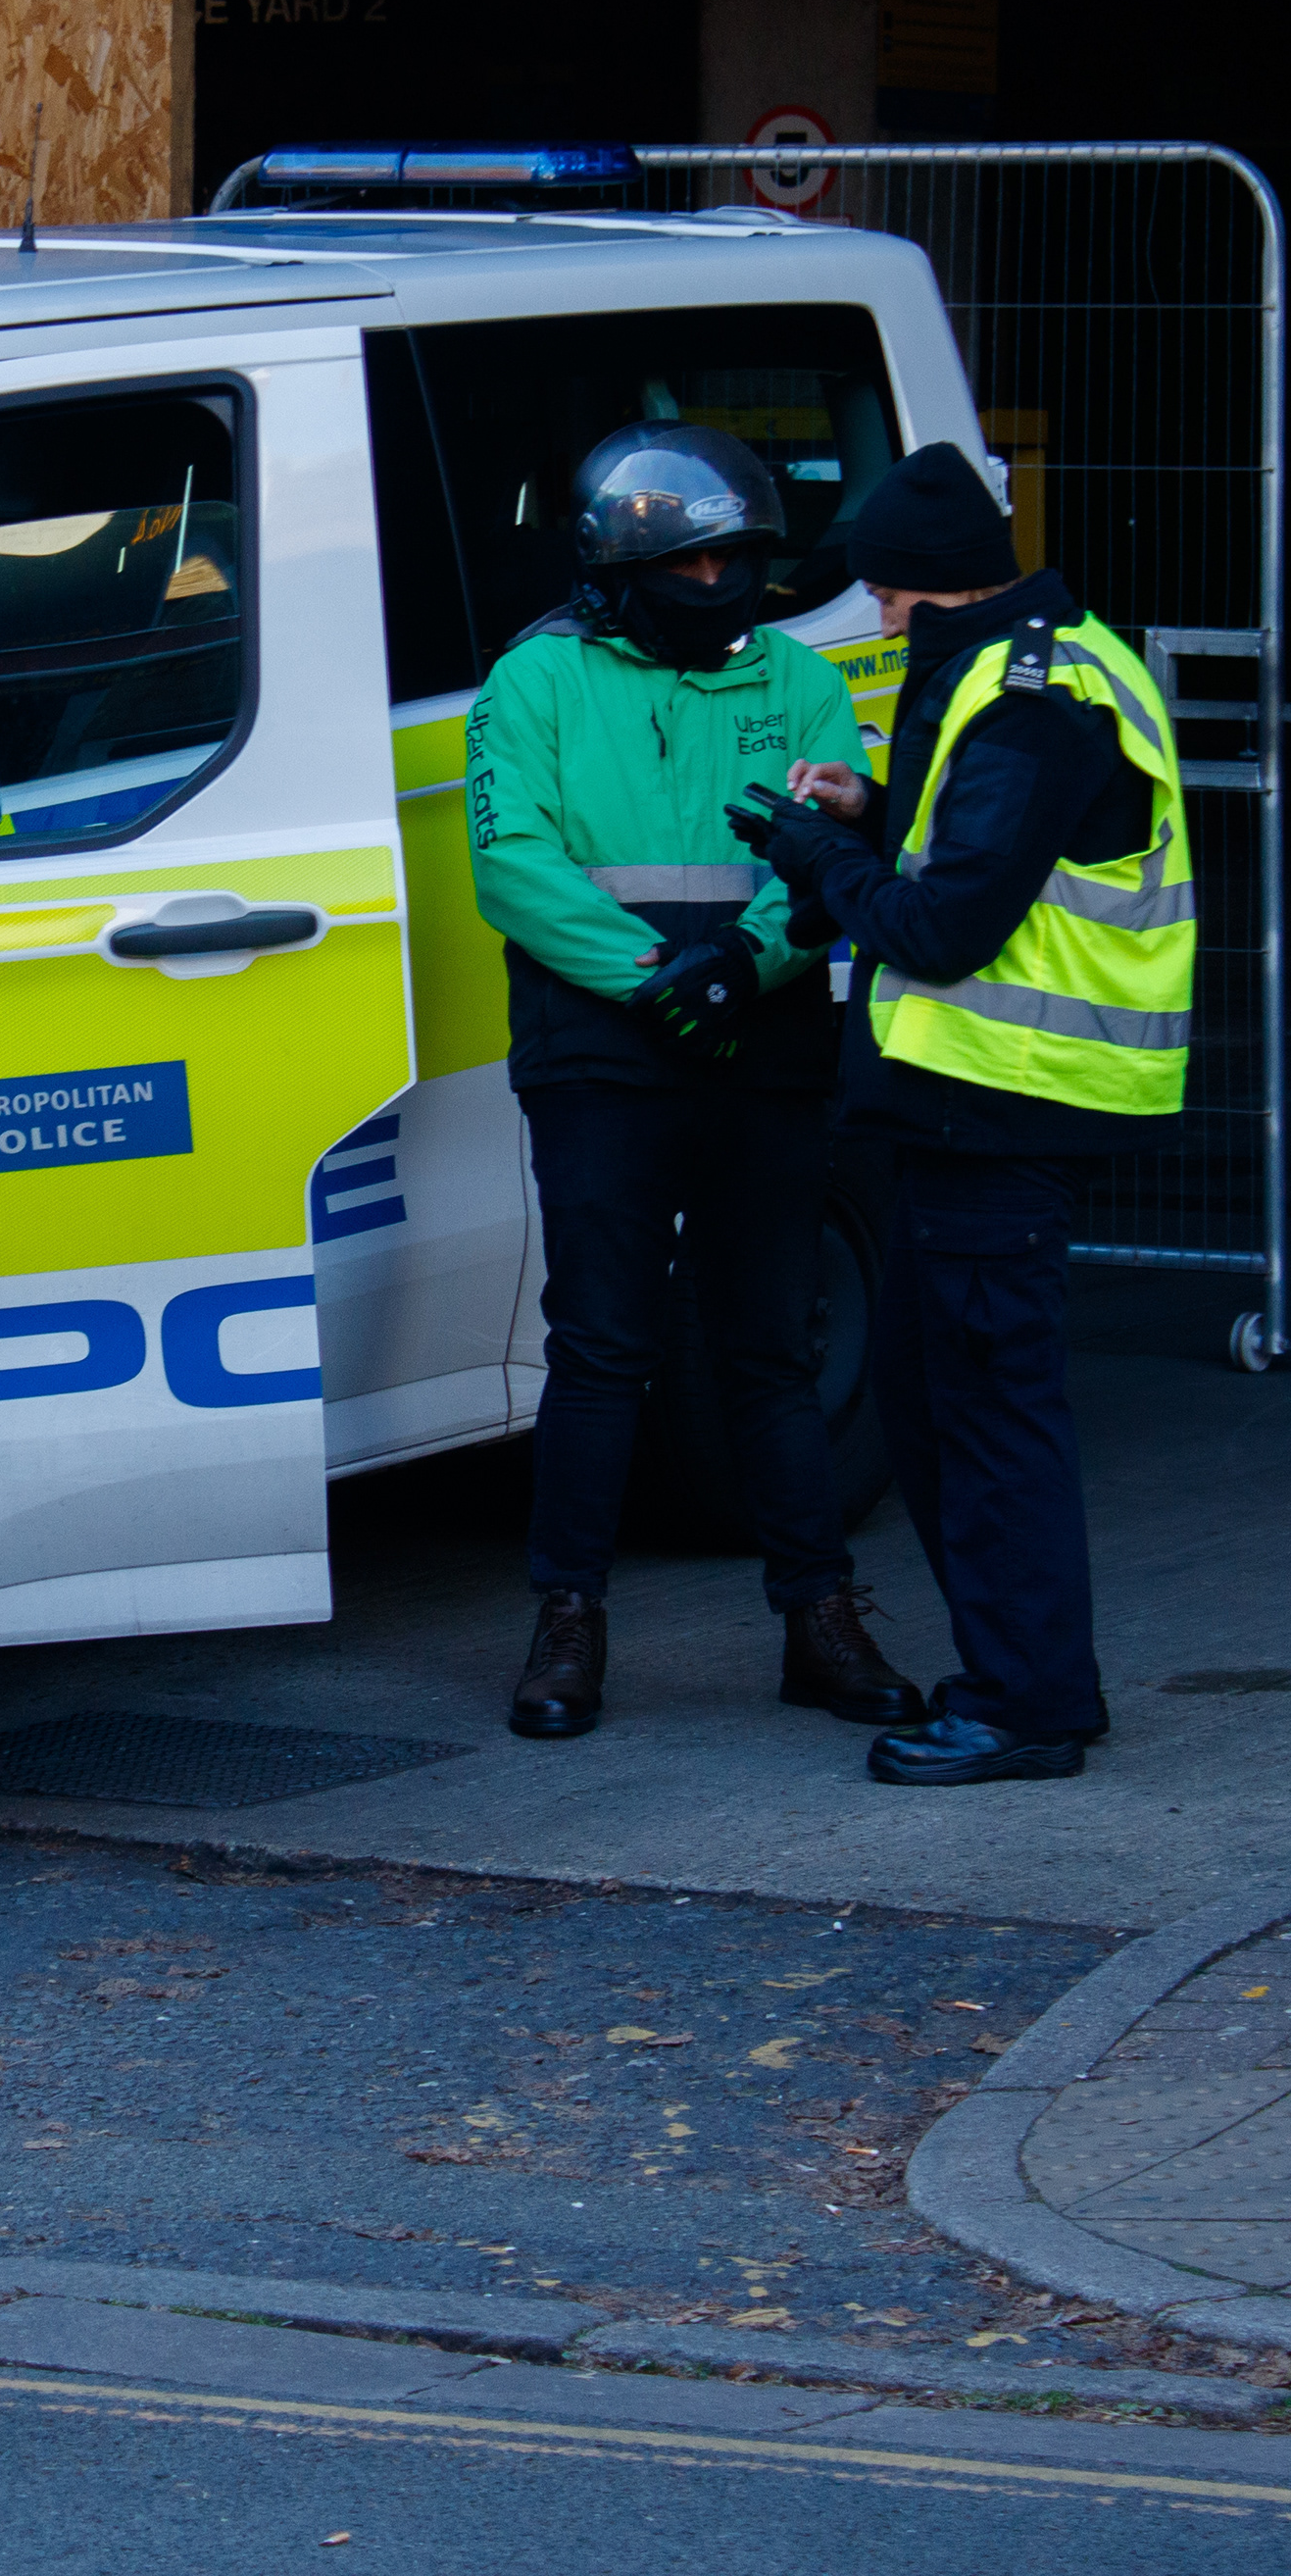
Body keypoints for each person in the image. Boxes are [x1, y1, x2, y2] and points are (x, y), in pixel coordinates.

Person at [729, 441, 1192, 1785]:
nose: (875, 615)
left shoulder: (1031, 699)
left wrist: (822, 854)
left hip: (1007, 1106)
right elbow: (992, 857)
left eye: (881, 593)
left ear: (930, 585)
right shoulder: (1027, 667)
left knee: (988, 1420)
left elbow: (943, 927)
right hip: (970, 1110)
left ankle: (1028, 1708)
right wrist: (872, 814)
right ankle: (1020, 1681)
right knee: (943, 1409)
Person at [463, 422, 921, 1741]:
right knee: (601, 1346)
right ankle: (567, 1623)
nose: (716, 585)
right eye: (687, 565)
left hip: (763, 1046)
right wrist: (663, 977)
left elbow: (828, 853)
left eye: (735, 563)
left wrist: (746, 962)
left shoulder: (803, 680)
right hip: (602, 1053)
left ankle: (821, 1622)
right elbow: (510, 864)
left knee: (770, 1349)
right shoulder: (534, 681)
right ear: (614, 571)